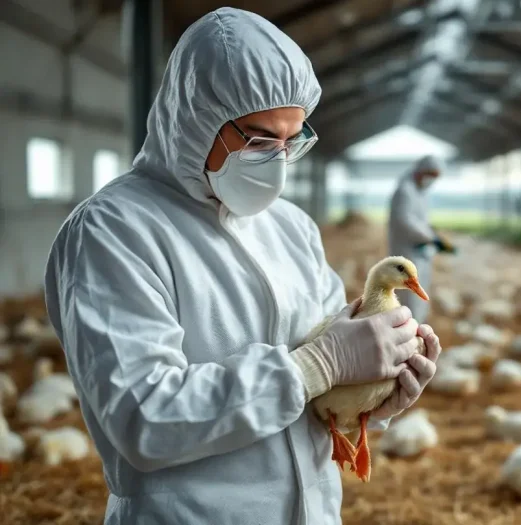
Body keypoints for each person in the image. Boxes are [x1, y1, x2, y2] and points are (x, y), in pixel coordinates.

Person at [43, 8, 440, 525]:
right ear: (195, 119)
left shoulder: (292, 227)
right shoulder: (114, 232)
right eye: (258, 139)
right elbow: (144, 418)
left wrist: (369, 400)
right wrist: (313, 367)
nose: (276, 160)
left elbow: (322, 388)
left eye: (290, 141)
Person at [388, 155, 454, 323]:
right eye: (431, 175)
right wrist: (430, 237)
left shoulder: (420, 192)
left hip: (420, 250)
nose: (431, 180)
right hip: (406, 249)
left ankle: (418, 325)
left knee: (420, 291)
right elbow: (405, 221)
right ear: (421, 171)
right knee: (409, 293)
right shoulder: (405, 191)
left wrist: (432, 234)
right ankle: (408, 329)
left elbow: (421, 220)